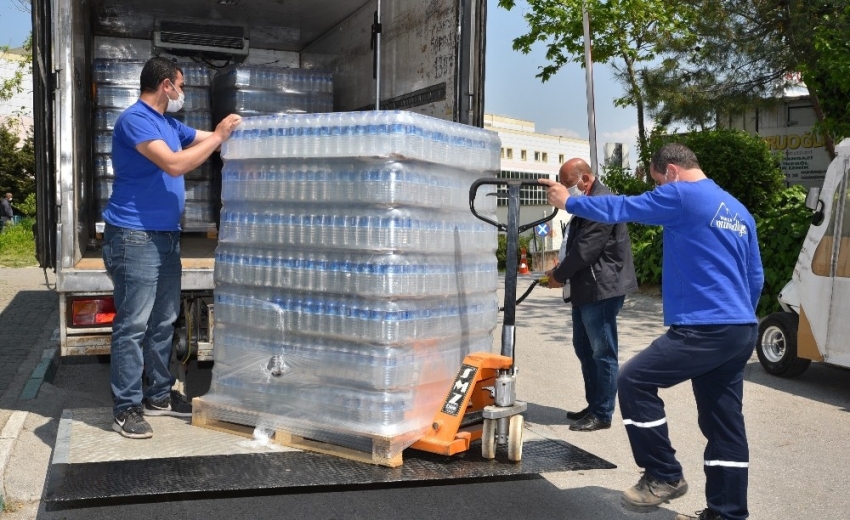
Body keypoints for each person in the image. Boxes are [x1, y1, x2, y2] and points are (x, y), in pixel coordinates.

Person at [540, 143, 764, 520]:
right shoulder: (738, 211)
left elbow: (621, 206)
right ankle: (728, 513)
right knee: (724, 424)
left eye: (658, 182)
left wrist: (569, 202)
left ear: (672, 171)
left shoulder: (680, 194)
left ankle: (663, 474)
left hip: (703, 326)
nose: (658, 190)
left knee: (634, 381)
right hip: (739, 328)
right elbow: (754, 276)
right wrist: (739, 316)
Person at [102, 57, 242, 439]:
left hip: (164, 236)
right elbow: (175, 165)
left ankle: (159, 396)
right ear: (166, 85)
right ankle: (126, 406)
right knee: (132, 325)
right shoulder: (136, 120)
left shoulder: (168, 123)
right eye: (180, 84)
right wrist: (218, 136)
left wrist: (231, 132)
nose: (182, 92)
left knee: (163, 320)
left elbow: (201, 138)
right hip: (134, 236)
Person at [544, 158, 637, 432]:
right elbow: (578, 245)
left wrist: (559, 276)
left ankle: (602, 413)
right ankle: (594, 404)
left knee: (602, 351)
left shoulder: (602, 201)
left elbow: (587, 248)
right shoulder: (589, 200)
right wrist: (562, 268)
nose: (565, 191)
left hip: (601, 289)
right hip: (586, 287)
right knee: (584, 348)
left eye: (568, 185)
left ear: (585, 179)